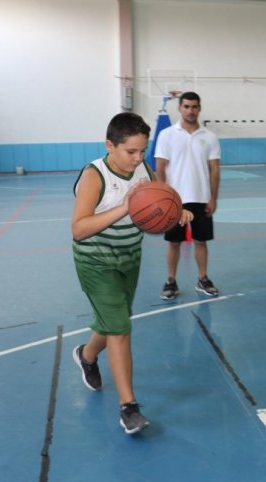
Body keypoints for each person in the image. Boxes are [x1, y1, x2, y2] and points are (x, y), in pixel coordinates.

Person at [71, 112, 193, 434]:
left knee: (114, 321)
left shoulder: (142, 168)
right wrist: (125, 207)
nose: (139, 158)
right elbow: (79, 228)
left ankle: (86, 354)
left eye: (143, 151)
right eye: (131, 152)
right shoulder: (94, 176)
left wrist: (175, 210)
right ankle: (129, 407)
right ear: (110, 145)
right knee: (121, 329)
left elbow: (156, 200)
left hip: (130, 256)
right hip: (96, 260)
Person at [154, 91, 221, 299]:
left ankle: (203, 279)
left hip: (201, 198)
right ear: (180, 108)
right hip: (175, 201)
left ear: (199, 108)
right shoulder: (167, 135)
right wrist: (163, 198)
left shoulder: (209, 137)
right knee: (173, 242)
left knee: (201, 241)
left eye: (194, 107)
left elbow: (215, 170)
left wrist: (213, 198)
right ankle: (171, 281)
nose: (191, 110)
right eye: (187, 106)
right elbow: (160, 168)